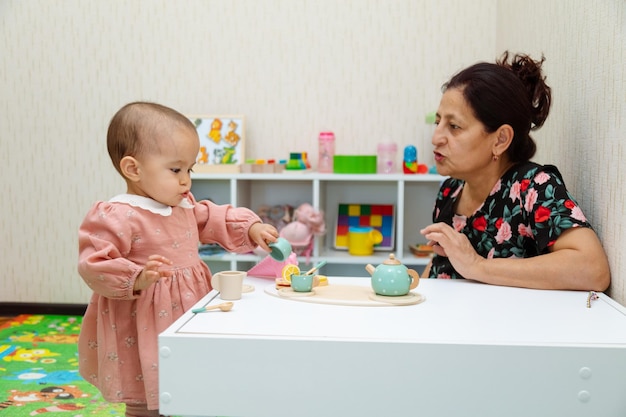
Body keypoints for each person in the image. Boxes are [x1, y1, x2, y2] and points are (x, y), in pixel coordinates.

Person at [77, 102, 279, 417]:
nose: (186, 180)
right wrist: (137, 277)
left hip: (189, 305)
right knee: (147, 388)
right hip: (142, 316)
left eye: (189, 169)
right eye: (175, 170)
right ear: (133, 169)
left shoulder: (182, 205)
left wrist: (251, 227)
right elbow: (94, 263)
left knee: (190, 376)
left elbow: (214, 216)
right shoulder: (118, 214)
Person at [420, 52, 610, 291]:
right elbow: (443, 264)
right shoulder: (450, 190)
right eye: (438, 123)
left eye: (454, 126)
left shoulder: (533, 188)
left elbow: (593, 269)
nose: (436, 138)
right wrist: (416, 286)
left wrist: (477, 265)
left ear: (500, 139)